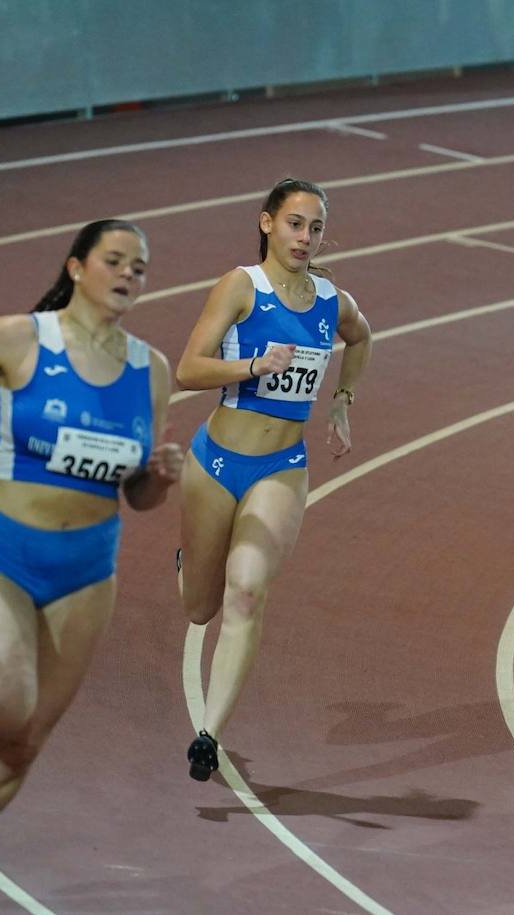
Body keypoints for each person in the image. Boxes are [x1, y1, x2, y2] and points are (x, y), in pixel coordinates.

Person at [0, 219, 183, 915]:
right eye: (114, 260)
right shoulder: (18, 338)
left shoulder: (152, 370)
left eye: (139, 268)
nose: (128, 275)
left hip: (87, 567)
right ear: (77, 265)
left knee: (22, 743)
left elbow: (136, 495)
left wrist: (159, 479)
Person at [174, 177, 372, 781]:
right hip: (214, 465)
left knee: (248, 592)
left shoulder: (331, 302)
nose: (305, 237)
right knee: (201, 608)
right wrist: (255, 365)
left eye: (315, 228)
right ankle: (191, 562)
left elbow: (361, 337)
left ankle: (208, 734)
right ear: (266, 223)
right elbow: (187, 369)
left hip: (281, 468)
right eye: (294, 223)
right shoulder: (241, 287)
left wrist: (342, 399)